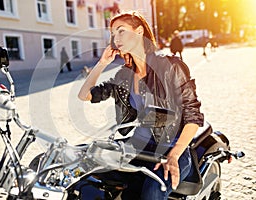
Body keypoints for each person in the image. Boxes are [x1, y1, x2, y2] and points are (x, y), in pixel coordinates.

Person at [78, 11, 204, 199]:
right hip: (136, 146)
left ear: (138, 31)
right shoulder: (124, 76)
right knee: (85, 173)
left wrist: (174, 156)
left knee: (152, 193)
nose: (116, 38)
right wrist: (102, 63)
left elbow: (193, 116)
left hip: (171, 147)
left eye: (121, 31)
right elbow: (84, 95)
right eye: (113, 34)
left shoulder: (171, 66)